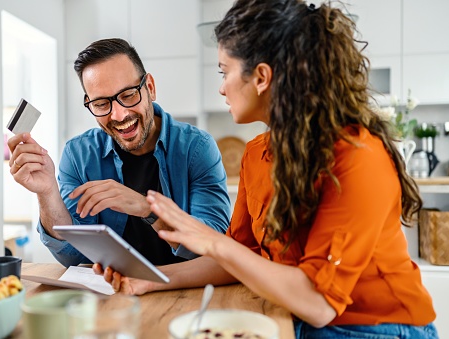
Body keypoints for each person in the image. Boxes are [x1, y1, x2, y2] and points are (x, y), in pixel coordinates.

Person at [94, 1, 439, 338]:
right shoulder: (257, 153)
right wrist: (151, 279)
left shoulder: (358, 154)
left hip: (375, 327)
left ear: (261, 77)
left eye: (224, 71)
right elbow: (240, 258)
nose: (221, 86)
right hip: (291, 316)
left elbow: (319, 303)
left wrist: (214, 242)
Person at [7, 38, 231, 268]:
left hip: (182, 294)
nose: (119, 115)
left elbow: (215, 246)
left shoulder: (197, 148)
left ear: (150, 88)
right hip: (112, 297)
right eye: (102, 104)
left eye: (128, 95)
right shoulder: (78, 155)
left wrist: (148, 209)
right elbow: (73, 256)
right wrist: (47, 192)